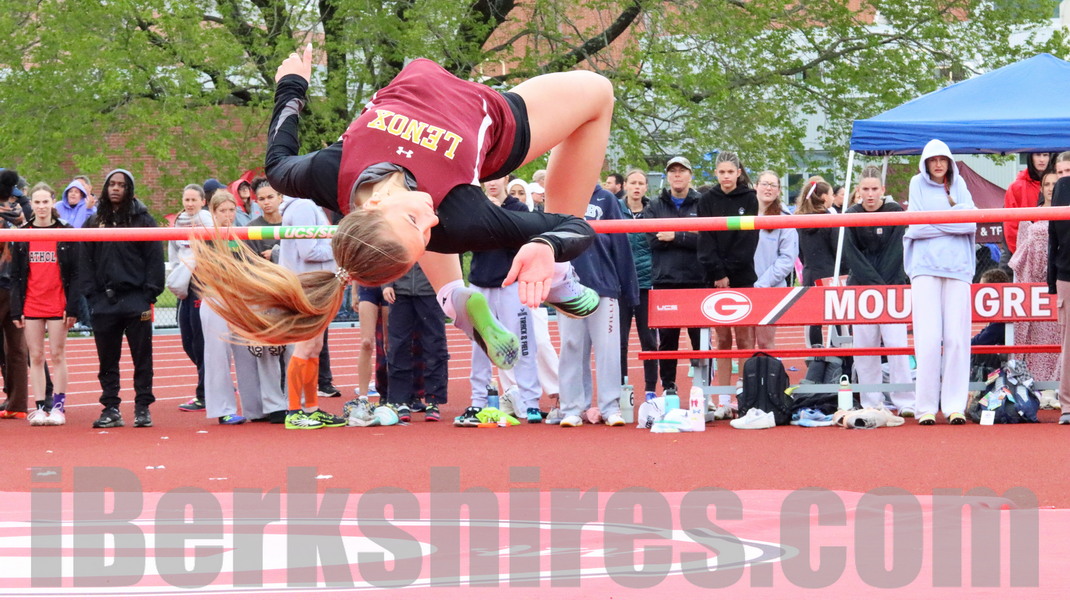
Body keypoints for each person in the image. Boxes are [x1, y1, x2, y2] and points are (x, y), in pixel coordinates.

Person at [191, 45, 605, 370]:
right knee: (599, 93)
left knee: (428, 229)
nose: (429, 217)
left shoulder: (327, 172)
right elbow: (573, 225)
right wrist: (548, 247)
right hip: (495, 125)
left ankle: (453, 296)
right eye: (424, 233)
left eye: (413, 221)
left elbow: (277, 160)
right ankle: (558, 279)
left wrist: (293, 84)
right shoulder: (458, 213)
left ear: (371, 206)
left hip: (442, 145)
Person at [78, 169, 164, 428]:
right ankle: (111, 407)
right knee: (107, 360)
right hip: (104, 301)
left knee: (142, 357)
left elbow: (155, 259)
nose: (116, 188)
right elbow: (84, 261)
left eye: (122, 185)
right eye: (112, 184)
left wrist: (149, 293)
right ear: (105, 188)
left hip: (136, 299)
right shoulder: (94, 222)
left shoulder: (144, 221)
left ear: (129, 190)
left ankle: (142, 407)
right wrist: (92, 296)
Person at [904, 139, 977, 425]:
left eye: (942, 159)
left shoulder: (960, 185)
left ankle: (954, 405)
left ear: (949, 162)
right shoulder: (916, 184)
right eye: (933, 159)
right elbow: (916, 226)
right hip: (924, 268)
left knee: (957, 339)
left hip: (958, 268)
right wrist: (953, 221)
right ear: (925, 163)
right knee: (928, 339)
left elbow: (971, 223)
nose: (937, 164)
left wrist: (933, 221)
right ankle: (925, 407)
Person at [199, 191, 287, 425]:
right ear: (213, 212)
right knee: (218, 355)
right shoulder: (205, 236)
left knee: (248, 352)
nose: (227, 215)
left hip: (242, 298)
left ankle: (256, 409)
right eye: (222, 211)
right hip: (217, 298)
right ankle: (223, 409)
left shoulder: (241, 235)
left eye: (231, 210)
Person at [556, 185, 638, 427]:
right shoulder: (561, 195)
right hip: (568, 289)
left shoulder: (606, 199)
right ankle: (572, 408)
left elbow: (621, 244)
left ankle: (610, 406)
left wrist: (629, 289)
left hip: (603, 286)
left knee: (608, 350)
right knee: (571, 347)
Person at [465, 176, 543, 423]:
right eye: (487, 179)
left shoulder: (518, 208)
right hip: (480, 284)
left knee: (523, 343)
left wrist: (498, 217)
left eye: (497, 178)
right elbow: (469, 241)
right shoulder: (476, 207)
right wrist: (486, 215)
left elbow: (521, 244)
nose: (492, 183)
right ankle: (478, 401)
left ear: (506, 179)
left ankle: (531, 403)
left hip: (512, 285)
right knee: (480, 345)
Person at [842, 167, 915, 417]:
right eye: (866, 189)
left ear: (883, 190)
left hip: (892, 287)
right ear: (858, 191)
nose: (870, 194)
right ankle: (871, 401)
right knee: (865, 348)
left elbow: (896, 252)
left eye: (875, 189)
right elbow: (852, 255)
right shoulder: (851, 214)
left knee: (897, 345)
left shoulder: (895, 212)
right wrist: (873, 283)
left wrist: (882, 285)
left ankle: (905, 400)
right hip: (862, 289)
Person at [9, 183, 80, 426]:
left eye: (45, 202)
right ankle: (40, 407)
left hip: (57, 302)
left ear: (52, 202)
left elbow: (76, 273)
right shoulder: (23, 233)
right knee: (36, 356)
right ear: (31, 204)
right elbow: (16, 274)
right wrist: (16, 308)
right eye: (37, 202)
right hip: (32, 303)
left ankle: (58, 407)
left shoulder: (65, 231)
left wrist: (73, 306)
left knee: (58, 354)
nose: (41, 207)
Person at [697, 151, 759, 410]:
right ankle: (723, 399)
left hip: (742, 275)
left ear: (738, 173)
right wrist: (718, 273)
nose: (726, 176)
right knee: (722, 339)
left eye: (730, 172)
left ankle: (743, 397)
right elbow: (705, 239)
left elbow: (748, 240)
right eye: (721, 172)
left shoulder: (750, 198)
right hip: (714, 278)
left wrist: (730, 273)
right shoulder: (706, 200)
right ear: (716, 173)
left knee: (745, 338)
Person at [644, 156, 704, 395]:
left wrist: (675, 235)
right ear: (667, 176)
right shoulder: (654, 205)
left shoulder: (702, 203)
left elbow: (706, 241)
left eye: (682, 170)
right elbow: (653, 240)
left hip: (697, 280)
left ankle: (702, 388)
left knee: (700, 340)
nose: (677, 175)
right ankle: (669, 387)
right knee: (667, 341)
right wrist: (689, 235)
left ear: (690, 175)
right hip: (666, 281)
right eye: (673, 171)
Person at [1009, 170, 1061, 397]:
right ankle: (1032, 389)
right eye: (1047, 184)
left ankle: (1057, 388)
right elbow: (1019, 260)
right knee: (1034, 340)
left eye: (1055, 184)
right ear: (1041, 189)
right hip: (1034, 289)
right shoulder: (1030, 217)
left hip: (1060, 285)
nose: (1050, 188)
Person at [172, 184, 214, 413]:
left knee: (200, 341)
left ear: (202, 201)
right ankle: (212, 378)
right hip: (184, 283)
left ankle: (204, 393)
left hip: (201, 282)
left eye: (193, 200)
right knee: (187, 341)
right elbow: (174, 250)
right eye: (186, 199)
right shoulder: (178, 222)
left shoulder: (207, 220)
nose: (189, 204)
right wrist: (177, 274)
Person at [618, 168, 657, 395]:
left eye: (641, 183)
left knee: (649, 340)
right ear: (625, 185)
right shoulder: (615, 210)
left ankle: (650, 389)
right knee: (619, 341)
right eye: (633, 183)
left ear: (646, 188)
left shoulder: (652, 211)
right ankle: (622, 387)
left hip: (646, 284)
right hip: (621, 285)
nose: (637, 187)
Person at [751, 170, 797, 350]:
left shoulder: (784, 219)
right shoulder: (743, 213)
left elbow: (787, 259)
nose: (768, 188)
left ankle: (768, 369)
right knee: (745, 342)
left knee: (765, 342)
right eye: (764, 184)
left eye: (773, 185)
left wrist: (762, 284)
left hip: (769, 289)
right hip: (744, 286)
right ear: (756, 186)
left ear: (778, 190)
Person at [796, 179, 843, 348]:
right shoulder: (829, 219)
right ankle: (837, 352)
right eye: (831, 194)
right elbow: (837, 249)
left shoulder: (800, 221)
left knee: (814, 318)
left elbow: (800, 251)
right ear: (824, 197)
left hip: (810, 272)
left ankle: (816, 352)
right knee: (835, 316)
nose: (833, 198)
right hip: (830, 272)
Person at [1047, 177, 1070, 423]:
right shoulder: (1063, 188)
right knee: (1069, 345)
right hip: (1067, 275)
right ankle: (1068, 406)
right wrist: (1051, 282)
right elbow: (1053, 238)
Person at [1004, 152, 1051, 256]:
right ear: (1030, 157)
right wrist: (1020, 254)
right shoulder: (1016, 187)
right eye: (1038, 155)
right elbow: (1011, 225)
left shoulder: (1058, 184)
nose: (1042, 159)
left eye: (1045, 155)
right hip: (1025, 252)